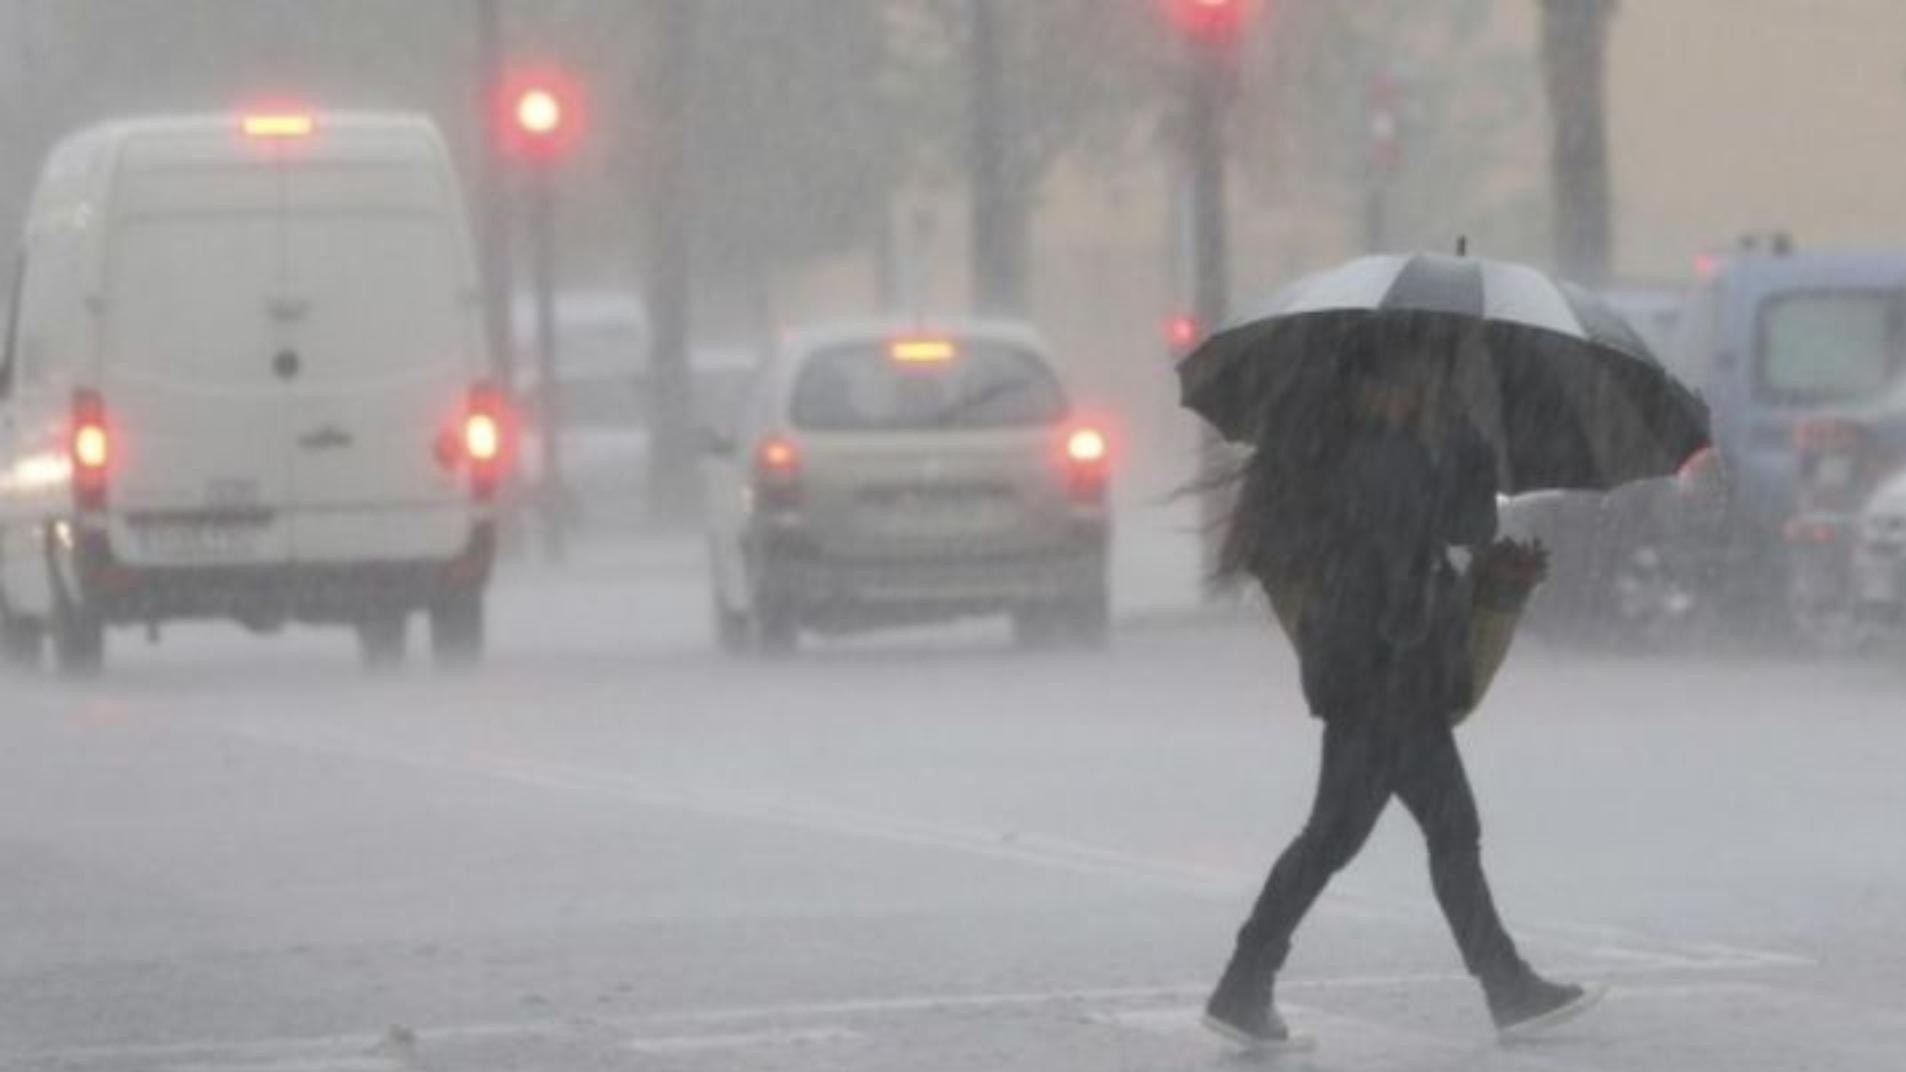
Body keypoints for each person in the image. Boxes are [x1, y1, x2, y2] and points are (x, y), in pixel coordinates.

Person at [1204, 330, 1596, 1049]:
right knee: (1402, 835)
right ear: (1381, 386)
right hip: (1389, 678)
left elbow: (1428, 547)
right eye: (1414, 378)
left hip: (1375, 675)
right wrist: (1468, 446)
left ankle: (1247, 983)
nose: (1420, 390)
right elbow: (1457, 528)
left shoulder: (1353, 455)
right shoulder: (1389, 458)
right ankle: (1502, 985)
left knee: (1374, 836)